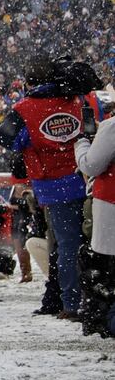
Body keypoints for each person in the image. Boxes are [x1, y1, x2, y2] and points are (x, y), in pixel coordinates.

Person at [0, 54, 101, 319]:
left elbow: (10, 139)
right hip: (91, 177)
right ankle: (88, 296)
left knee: (65, 245)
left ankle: (71, 301)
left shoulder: (24, 109)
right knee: (91, 240)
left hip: (54, 185)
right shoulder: (82, 100)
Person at [75, 101, 115, 337]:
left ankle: (106, 319)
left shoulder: (111, 126)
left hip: (110, 201)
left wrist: (81, 144)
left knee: (105, 265)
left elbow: (92, 164)